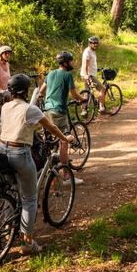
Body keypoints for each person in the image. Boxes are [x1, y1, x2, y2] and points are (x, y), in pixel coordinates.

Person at [0, 74, 73, 252]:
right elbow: (51, 127)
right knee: (30, 199)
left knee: (10, 191)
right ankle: (27, 243)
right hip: (20, 153)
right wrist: (65, 138)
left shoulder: (5, 106)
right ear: (26, 91)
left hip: (1, 151)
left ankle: (8, 231)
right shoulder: (30, 109)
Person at [39, 52, 85, 184]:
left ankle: (47, 170)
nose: (72, 63)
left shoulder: (51, 73)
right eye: (70, 61)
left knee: (48, 141)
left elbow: (42, 91)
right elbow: (74, 94)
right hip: (59, 111)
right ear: (65, 63)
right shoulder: (67, 75)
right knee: (63, 142)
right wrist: (83, 99)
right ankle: (66, 176)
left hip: (46, 111)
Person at [80, 36, 106, 115]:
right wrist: (87, 75)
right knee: (102, 88)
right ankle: (101, 108)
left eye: (96, 43)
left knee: (87, 92)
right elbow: (85, 65)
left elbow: (91, 63)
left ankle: (84, 110)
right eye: (93, 43)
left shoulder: (92, 51)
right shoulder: (87, 52)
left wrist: (96, 69)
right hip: (88, 75)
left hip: (89, 74)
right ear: (90, 43)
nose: (95, 45)